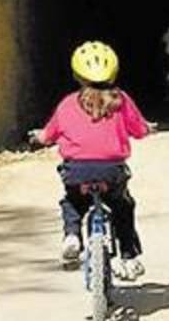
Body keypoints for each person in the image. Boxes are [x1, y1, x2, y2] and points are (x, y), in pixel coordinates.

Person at [31, 41, 151, 280]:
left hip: (76, 171)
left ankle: (72, 236)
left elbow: (48, 136)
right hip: (112, 172)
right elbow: (138, 130)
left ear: (77, 75)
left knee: (73, 203)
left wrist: (37, 137)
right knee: (122, 206)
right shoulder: (121, 101)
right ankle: (128, 255)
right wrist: (147, 129)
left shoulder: (67, 104)